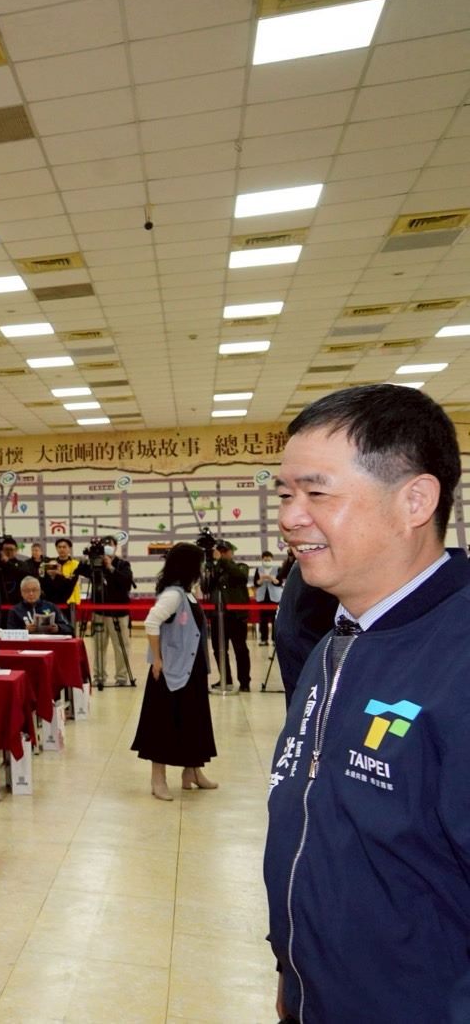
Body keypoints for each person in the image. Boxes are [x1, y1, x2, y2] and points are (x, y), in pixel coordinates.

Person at [264, 384, 470, 1021]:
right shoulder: (336, 642)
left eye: (317, 493)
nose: (292, 517)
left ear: (415, 499)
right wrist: (291, 975)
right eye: (286, 495)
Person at [132, 543, 218, 801]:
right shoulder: (173, 595)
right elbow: (151, 621)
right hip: (170, 670)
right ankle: (157, 777)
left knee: (193, 720)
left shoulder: (189, 594)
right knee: (163, 722)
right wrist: (156, 659)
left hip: (192, 668)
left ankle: (192, 771)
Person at [272, 559, 337, 705]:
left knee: (300, 702)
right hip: (305, 640)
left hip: (294, 636)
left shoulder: (305, 560)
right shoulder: (323, 562)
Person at [78, 536, 135, 688]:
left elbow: (126, 583)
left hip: (119, 612)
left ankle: (122, 677)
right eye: (104, 545)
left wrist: (110, 567)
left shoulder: (122, 564)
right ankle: (99, 677)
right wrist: (88, 559)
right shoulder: (95, 564)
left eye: (109, 545)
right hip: (98, 611)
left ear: (116, 547)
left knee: (121, 646)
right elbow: (79, 571)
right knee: (98, 646)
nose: (107, 548)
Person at [207, 540, 252, 691]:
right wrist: (211, 567)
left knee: (240, 649)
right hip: (216, 616)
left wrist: (222, 561)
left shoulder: (240, 567)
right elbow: (205, 587)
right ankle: (226, 679)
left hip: (236, 616)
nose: (222, 554)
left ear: (230, 552)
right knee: (219, 649)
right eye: (220, 551)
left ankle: (244, 682)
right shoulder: (215, 569)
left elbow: (240, 577)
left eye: (225, 551)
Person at [6, 576, 73, 635]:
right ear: (21, 593)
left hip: (49, 643)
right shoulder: (14, 611)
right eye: (27, 591)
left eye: (34, 590)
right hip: (25, 645)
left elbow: (69, 628)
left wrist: (58, 628)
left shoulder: (51, 607)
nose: (31, 593)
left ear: (40, 591)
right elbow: (8, 632)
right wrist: (25, 630)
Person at [253, 548, 283, 645]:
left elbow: (279, 582)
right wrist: (261, 579)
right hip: (263, 597)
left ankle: (275, 640)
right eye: (265, 560)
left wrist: (271, 578)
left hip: (275, 597)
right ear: (262, 559)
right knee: (263, 620)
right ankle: (264, 639)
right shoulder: (258, 569)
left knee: (275, 620)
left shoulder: (277, 569)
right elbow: (256, 583)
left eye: (268, 559)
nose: (267, 561)